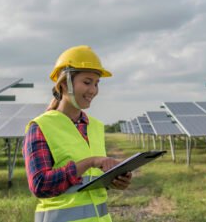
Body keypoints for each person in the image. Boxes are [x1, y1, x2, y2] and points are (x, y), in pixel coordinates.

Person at [23, 45, 132, 222]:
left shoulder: (95, 127)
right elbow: (40, 185)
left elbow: (89, 184)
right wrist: (91, 162)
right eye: (87, 82)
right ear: (64, 83)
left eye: (97, 84)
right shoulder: (41, 126)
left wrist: (115, 180)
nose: (93, 90)